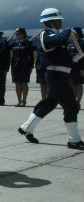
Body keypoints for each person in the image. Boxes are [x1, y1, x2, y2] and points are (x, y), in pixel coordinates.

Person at [18, 8, 83, 150]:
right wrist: (68, 31)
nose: (60, 23)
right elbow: (51, 43)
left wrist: (75, 57)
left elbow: (63, 58)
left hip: (61, 75)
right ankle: (74, 140)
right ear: (50, 22)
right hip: (55, 76)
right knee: (71, 106)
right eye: (58, 20)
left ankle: (26, 127)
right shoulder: (45, 35)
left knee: (49, 103)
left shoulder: (58, 37)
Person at [9, 28, 35, 107]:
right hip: (15, 66)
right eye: (16, 34)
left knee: (24, 83)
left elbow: (31, 56)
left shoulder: (27, 43)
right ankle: (19, 100)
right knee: (17, 83)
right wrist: (8, 40)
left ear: (23, 34)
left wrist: (31, 66)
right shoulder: (14, 43)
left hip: (24, 66)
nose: (17, 35)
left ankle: (24, 100)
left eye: (19, 33)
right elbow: (6, 47)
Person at [67, 27, 83, 108]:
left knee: (79, 85)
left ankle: (78, 102)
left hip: (79, 67)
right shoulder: (69, 43)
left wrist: (82, 68)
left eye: (73, 32)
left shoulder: (82, 43)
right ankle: (73, 101)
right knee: (72, 85)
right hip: (70, 67)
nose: (71, 34)